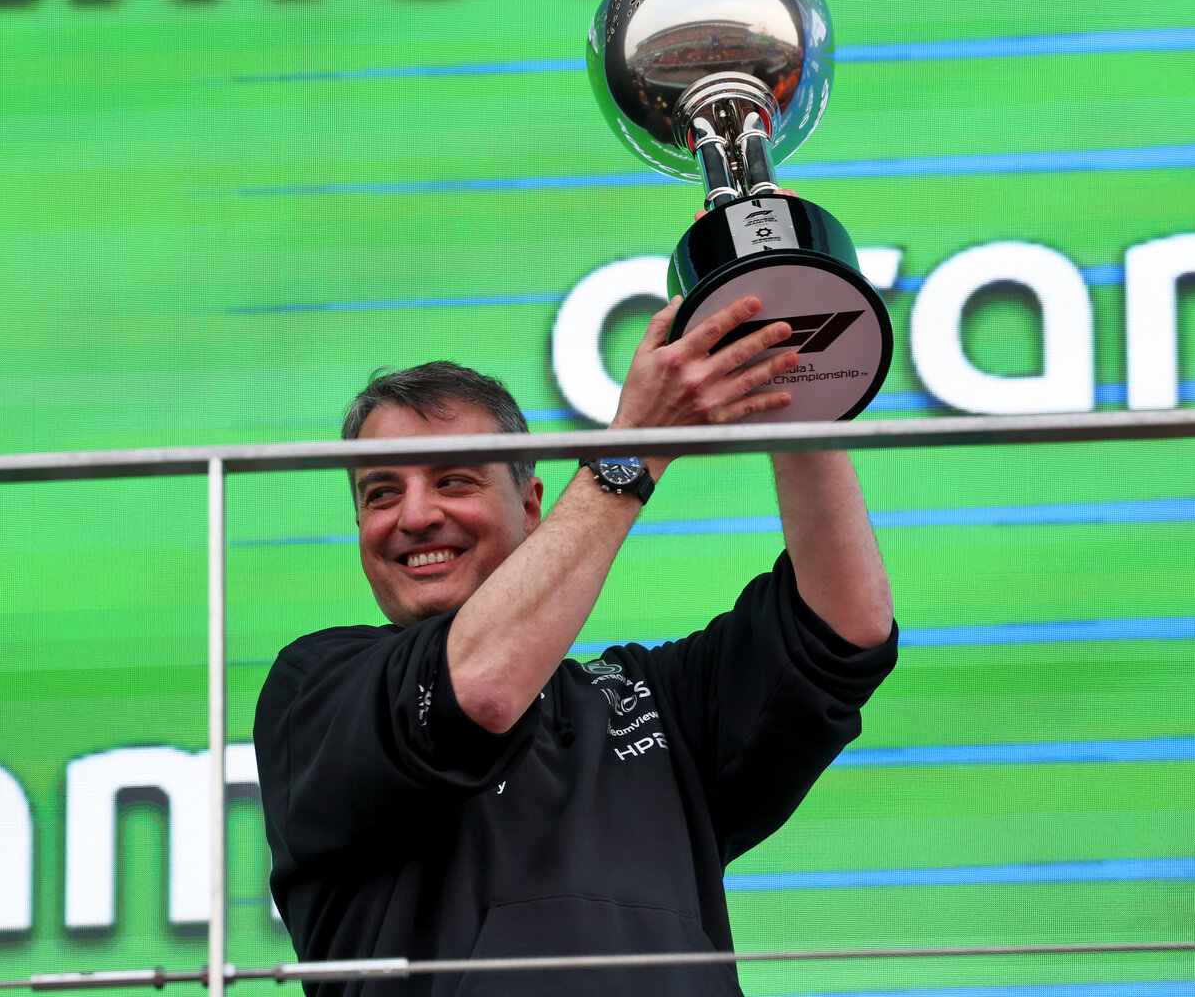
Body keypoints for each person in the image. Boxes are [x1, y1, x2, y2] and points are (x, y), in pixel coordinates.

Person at [254, 290, 898, 997]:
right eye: (379, 493)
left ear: (530, 507)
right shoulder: (314, 686)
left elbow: (843, 631)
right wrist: (636, 445)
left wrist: (792, 384)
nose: (414, 515)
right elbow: (483, 688)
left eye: (453, 480)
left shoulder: (649, 698)